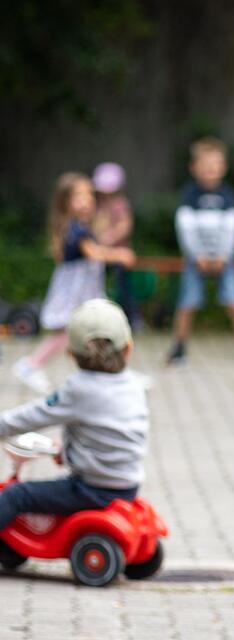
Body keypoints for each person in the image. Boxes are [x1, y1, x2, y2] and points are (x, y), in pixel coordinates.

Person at [0, 300, 147, 530]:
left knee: (16, 495)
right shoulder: (135, 385)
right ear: (128, 348)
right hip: (128, 484)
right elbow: (109, 433)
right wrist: (67, 451)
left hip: (92, 489)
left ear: (70, 354)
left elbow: (32, 416)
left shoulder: (78, 388)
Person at [12, 173, 136, 395]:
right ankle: (30, 365)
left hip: (85, 289)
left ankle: (113, 371)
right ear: (65, 202)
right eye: (79, 196)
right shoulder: (76, 229)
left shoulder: (79, 226)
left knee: (96, 328)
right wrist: (119, 254)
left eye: (89, 194)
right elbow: (94, 253)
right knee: (68, 333)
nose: (87, 200)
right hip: (75, 291)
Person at [167, 137, 234, 367]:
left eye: (214, 166)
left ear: (223, 168)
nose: (210, 171)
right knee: (187, 304)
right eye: (205, 166)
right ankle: (178, 350)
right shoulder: (189, 195)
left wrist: (224, 255)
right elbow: (185, 227)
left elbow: (233, 228)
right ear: (194, 168)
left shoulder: (228, 196)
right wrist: (196, 254)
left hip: (224, 260)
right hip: (194, 260)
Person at [92, 162, 141, 328]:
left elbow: (125, 226)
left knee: (123, 284)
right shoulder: (96, 207)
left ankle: (132, 317)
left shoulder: (120, 204)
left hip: (119, 253)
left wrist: (109, 238)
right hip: (99, 254)